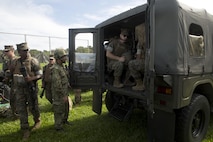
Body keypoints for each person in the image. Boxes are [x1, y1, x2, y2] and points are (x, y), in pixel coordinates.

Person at [11, 42, 42, 140]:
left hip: (30, 88)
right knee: (21, 108)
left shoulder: (33, 61)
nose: (27, 52)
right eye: (24, 51)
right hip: (19, 89)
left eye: (27, 50)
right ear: (19, 52)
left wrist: (31, 79)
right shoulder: (15, 62)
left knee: (33, 107)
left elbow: (40, 74)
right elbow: (10, 73)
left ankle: (37, 120)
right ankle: (25, 128)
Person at [51, 48, 71, 132]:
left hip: (64, 92)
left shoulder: (62, 67)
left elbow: (64, 79)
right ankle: (58, 127)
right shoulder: (56, 69)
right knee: (59, 110)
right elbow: (57, 85)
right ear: (58, 58)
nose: (65, 58)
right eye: (63, 56)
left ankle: (64, 121)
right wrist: (63, 95)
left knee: (66, 108)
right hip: (59, 94)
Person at [3, 45, 19, 118]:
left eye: (7, 51)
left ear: (12, 51)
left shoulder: (17, 60)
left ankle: (19, 114)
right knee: (12, 99)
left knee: (18, 99)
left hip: (18, 82)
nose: (6, 53)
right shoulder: (7, 61)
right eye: (5, 51)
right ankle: (15, 114)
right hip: (12, 83)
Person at [128, 23, 146, 90]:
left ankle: (139, 84)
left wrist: (138, 58)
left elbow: (138, 56)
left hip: (148, 63)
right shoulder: (152, 38)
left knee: (131, 64)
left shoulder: (140, 42)